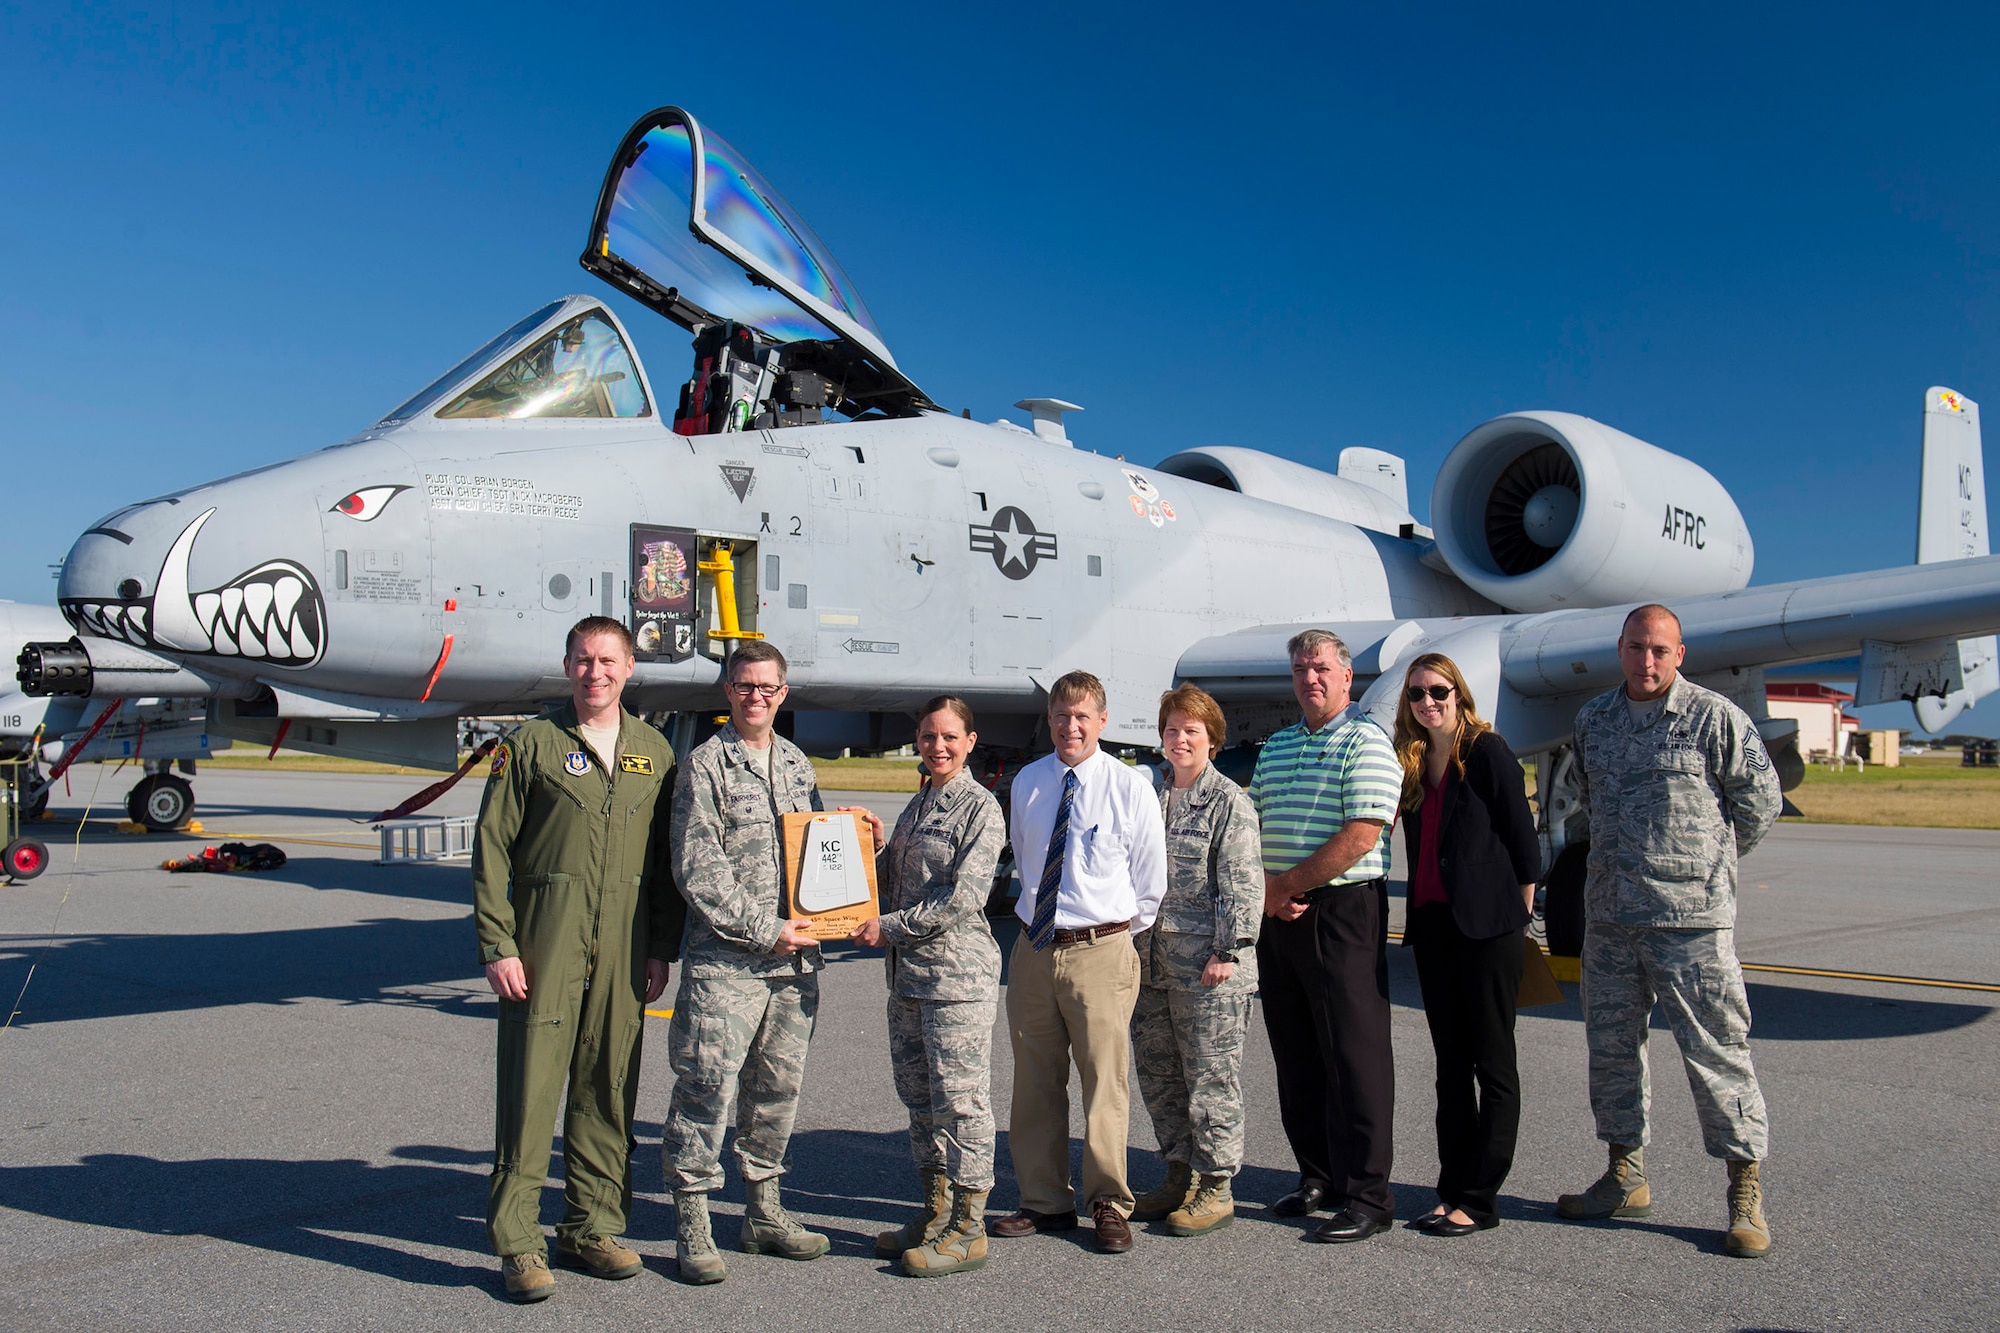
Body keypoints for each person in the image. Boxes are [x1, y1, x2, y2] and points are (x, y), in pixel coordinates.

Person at [1555, 603, 1782, 1258]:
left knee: (1718, 1051)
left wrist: (1707, 867)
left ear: (1679, 653)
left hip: (1691, 923)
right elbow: (1589, 803)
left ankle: (1744, 1189)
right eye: (1635, 648)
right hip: (1611, 919)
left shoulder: (1716, 719)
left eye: (1659, 649)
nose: (1646, 661)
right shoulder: (1593, 721)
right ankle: (1625, 1175)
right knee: (1612, 1049)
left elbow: (1759, 803)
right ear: (1619, 649)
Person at [472, 615, 683, 1302]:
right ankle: (519, 1241)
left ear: (629, 669)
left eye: (608, 660)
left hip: (624, 946)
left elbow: (662, 865)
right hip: (545, 939)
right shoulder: (529, 744)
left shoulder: (654, 751)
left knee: (609, 1088)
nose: (596, 672)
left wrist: (658, 945)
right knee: (530, 1092)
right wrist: (498, 942)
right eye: (583, 659)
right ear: (568, 666)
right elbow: (491, 850)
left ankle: (591, 1226)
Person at [664, 640, 837, 1283]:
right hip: (727, 964)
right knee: (707, 1087)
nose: (755, 697)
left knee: (776, 1091)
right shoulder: (705, 766)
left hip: (794, 966)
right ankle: (693, 1220)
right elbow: (697, 869)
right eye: (744, 687)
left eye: (767, 687)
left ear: (783, 693)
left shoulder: (795, 762)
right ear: (728, 691)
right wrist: (766, 930)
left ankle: (764, 1211)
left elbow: (819, 850)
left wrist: (857, 852)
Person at [992, 670, 1167, 1254]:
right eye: (1062, 716)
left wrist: (1109, 936)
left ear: (1102, 721)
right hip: (1035, 949)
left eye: (1082, 716)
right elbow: (1024, 852)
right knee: (1035, 1081)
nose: (1071, 726)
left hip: (1101, 949)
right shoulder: (1029, 783)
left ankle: (1108, 1203)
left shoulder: (1129, 786)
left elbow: (1150, 882)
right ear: (1050, 721)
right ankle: (1044, 1201)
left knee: (1103, 1084)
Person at [1250, 628, 1402, 1243]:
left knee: (1354, 1055)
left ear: (1346, 677)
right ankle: (1319, 1176)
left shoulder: (1366, 741)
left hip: (1341, 913)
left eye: (1320, 668)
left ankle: (1368, 1195)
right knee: (1297, 1051)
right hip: (1279, 914)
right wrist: (1267, 889)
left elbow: (1362, 833)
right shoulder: (1279, 745)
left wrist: (1282, 885)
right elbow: (1251, 821)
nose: (1310, 679)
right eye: (1300, 670)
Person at [848, 696, 1006, 1277]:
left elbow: (963, 901)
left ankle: (969, 1227)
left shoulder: (980, 809)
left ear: (969, 741)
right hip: (909, 980)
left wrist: (884, 928)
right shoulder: (921, 803)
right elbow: (895, 881)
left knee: (962, 1104)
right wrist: (874, 845)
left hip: (955, 980)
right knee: (920, 1102)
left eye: (949, 737)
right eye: (927, 736)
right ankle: (935, 1212)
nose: (937, 746)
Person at [1392, 653, 1541, 1236]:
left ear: (1459, 693)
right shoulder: (1413, 761)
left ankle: (1480, 1198)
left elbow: (1523, 844)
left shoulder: (1486, 752)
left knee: (1493, 1064)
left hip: (1488, 930)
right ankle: (1451, 1185)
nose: (1427, 702)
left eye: (1438, 690)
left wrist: (1516, 917)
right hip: (1433, 928)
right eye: (1416, 694)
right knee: (1450, 1068)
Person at [1127, 685, 1263, 1237]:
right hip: (1152, 966)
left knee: (1210, 1079)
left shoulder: (1229, 801)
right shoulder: (1149, 796)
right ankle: (1178, 1171)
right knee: (1161, 1075)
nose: (1180, 740)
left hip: (1209, 970)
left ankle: (1215, 1184)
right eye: (1172, 730)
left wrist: (1228, 952)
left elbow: (1242, 884)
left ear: (1213, 739)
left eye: (1192, 731)